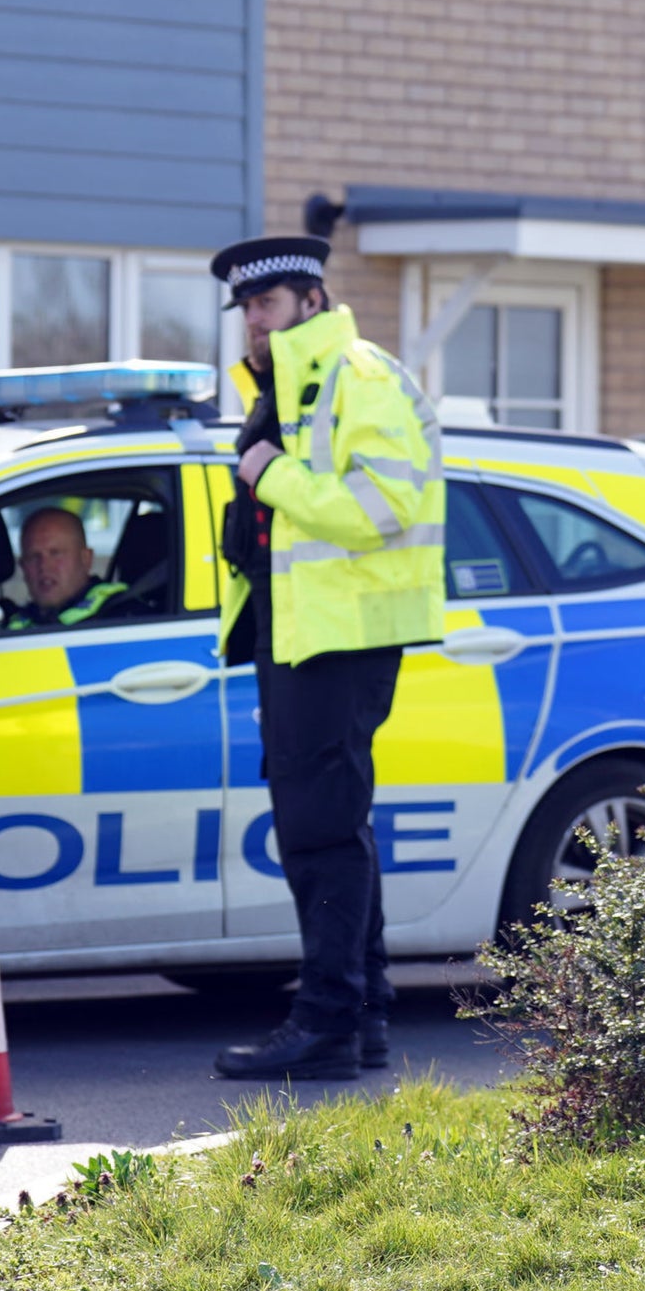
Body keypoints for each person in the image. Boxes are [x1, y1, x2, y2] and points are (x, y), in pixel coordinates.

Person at [205, 228, 446, 1083]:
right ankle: (362, 1013)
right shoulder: (293, 387)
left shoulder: (359, 375)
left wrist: (267, 473)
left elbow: (375, 509)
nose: (253, 327)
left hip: (341, 636)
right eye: (245, 312)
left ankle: (327, 1022)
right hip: (303, 634)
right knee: (332, 825)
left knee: (318, 833)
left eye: (266, 306)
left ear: (311, 299)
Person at [4, 508, 136, 630]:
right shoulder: (4, 627)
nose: (44, 566)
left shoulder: (126, 618)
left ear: (86, 559)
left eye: (56, 553)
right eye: (33, 557)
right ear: (23, 567)